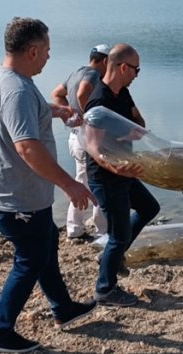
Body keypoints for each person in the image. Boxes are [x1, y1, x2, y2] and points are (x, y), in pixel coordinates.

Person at [0, 17, 98, 353]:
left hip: (14, 191)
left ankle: (63, 308)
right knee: (30, 259)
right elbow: (27, 147)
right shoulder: (16, 89)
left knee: (46, 247)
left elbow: (20, 112)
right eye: (46, 50)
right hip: (18, 197)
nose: (48, 56)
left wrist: (53, 111)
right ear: (31, 50)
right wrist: (69, 185)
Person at [84, 43, 159, 308]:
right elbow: (92, 145)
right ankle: (104, 290)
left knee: (150, 207)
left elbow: (140, 123)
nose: (137, 75)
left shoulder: (123, 94)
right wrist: (116, 163)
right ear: (123, 67)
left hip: (124, 169)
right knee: (119, 234)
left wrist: (131, 132)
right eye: (136, 70)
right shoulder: (99, 100)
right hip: (106, 175)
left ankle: (111, 257)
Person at [50, 44, 110, 240]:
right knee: (98, 182)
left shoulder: (77, 72)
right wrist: (89, 118)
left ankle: (75, 229)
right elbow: (82, 92)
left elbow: (56, 93)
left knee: (82, 181)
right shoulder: (93, 75)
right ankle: (101, 230)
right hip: (86, 138)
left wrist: (69, 112)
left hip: (75, 136)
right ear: (105, 61)